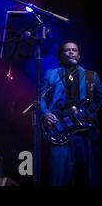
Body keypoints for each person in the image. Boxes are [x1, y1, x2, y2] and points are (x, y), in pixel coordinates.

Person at [41, 41, 102, 185]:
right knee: (58, 175)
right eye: (67, 50)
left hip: (84, 130)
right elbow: (40, 97)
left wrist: (87, 112)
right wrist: (45, 113)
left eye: (74, 50)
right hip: (59, 127)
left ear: (79, 55)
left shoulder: (91, 76)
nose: (71, 52)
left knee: (86, 175)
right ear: (61, 56)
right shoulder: (51, 74)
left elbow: (100, 100)